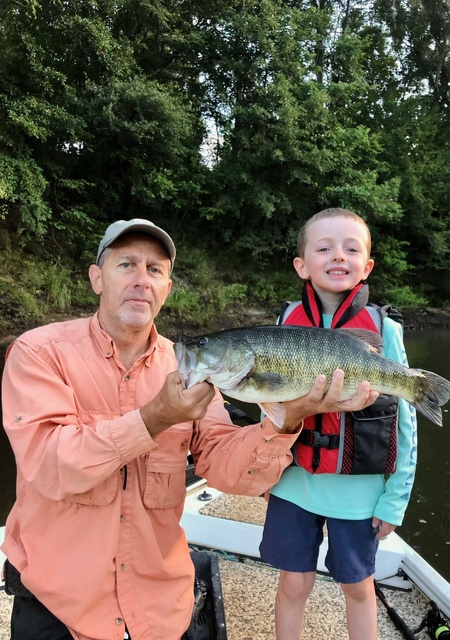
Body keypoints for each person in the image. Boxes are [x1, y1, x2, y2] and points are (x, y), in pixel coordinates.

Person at [1, 218, 379, 640]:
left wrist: (287, 419)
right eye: (126, 265)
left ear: (167, 288)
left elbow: (231, 473)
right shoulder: (38, 353)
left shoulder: (191, 369)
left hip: (158, 607)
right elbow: (50, 466)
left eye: (156, 270)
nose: (142, 280)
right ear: (96, 278)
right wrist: (154, 418)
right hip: (56, 603)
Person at [259, 208, 418, 640]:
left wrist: (394, 500)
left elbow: (406, 424)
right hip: (294, 483)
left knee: (358, 586)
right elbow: (266, 403)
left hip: (359, 491)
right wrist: (265, 468)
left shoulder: (385, 328)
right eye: (324, 247)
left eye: (351, 249)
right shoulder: (284, 322)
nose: (338, 256)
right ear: (302, 264)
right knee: (293, 581)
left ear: (366, 266)